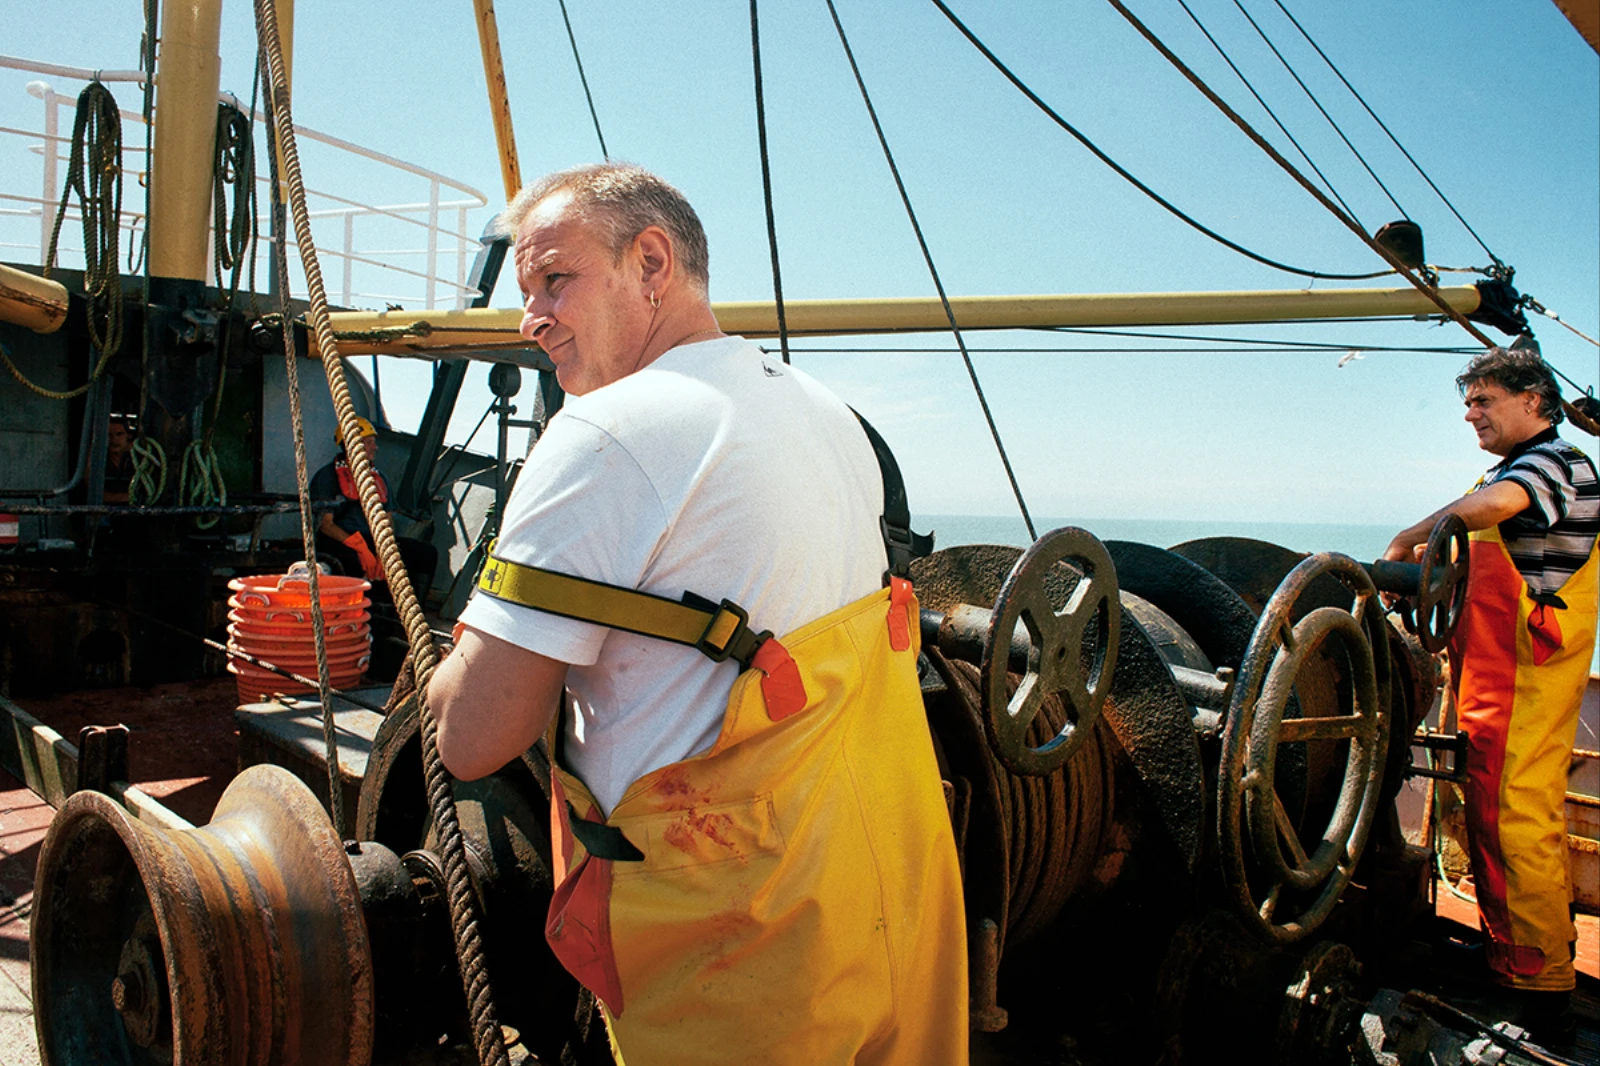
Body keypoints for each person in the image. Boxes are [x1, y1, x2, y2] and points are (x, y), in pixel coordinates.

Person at [427, 163, 966, 1064]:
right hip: (891, 906)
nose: (533, 318)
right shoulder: (831, 417)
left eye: (556, 279)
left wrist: (449, 670)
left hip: (742, 952)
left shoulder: (605, 433)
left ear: (651, 261)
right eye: (528, 292)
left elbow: (473, 738)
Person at [1384, 346, 1598, 1035]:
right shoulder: (1512, 468)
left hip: (1524, 681)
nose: (1472, 414)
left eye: (1485, 401)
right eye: (1468, 404)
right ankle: (1513, 948)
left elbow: (1492, 508)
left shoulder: (1550, 464)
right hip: (1496, 677)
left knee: (1516, 821)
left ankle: (1541, 987)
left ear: (1534, 400)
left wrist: (1409, 536)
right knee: (1494, 817)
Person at [310, 416, 438, 601]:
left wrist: (382, 549)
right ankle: (358, 611)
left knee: (426, 554)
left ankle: (404, 616)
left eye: (374, 442)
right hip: (339, 540)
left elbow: (387, 520)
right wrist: (360, 548)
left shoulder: (380, 479)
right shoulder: (327, 477)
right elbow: (325, 525)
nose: (375, 447)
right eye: (369, 442)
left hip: (373, 540)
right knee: (351, 561)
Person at [103, 416, 133, 504]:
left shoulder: (140, 457)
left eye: (119, 434)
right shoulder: (96, 456)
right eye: (109, 435)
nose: (114, 440)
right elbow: (95, 494)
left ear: (129, 435)